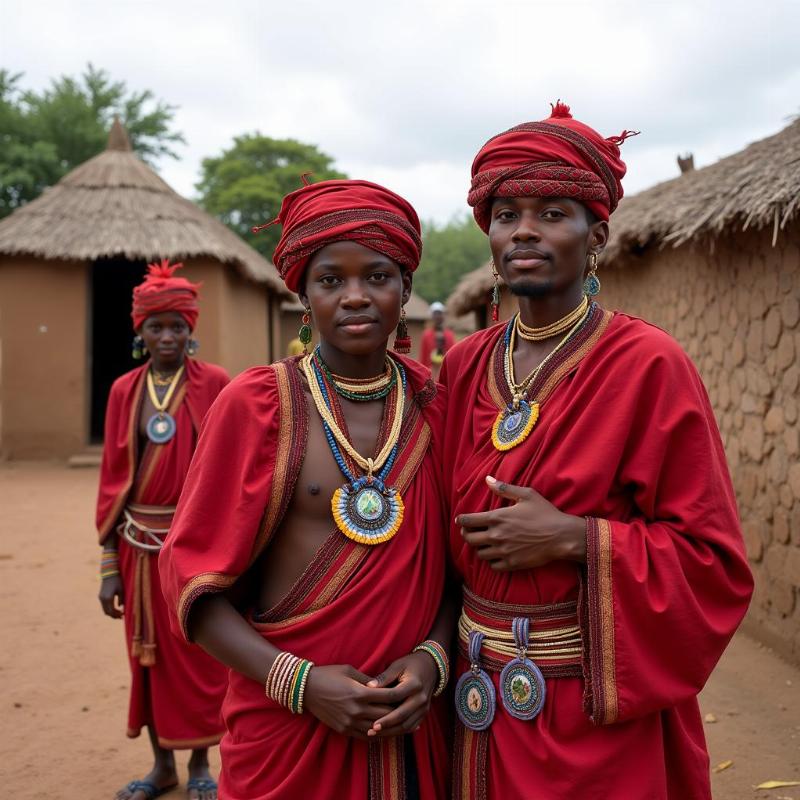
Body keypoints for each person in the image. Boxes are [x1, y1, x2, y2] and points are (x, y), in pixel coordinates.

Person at [439, 102, 754, 800]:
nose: (524, 229)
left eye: (553, 212)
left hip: (596, 721)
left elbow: (715, 565)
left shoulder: (648, 364)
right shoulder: (463, 368)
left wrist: (577, 539)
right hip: (473, 709)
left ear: (598, 233)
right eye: (506, 213)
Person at [160, 179, 453, 799]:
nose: (355, 297)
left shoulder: (436, 408)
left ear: (405, 290)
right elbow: (193, 580)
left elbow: (463, 573)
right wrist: (300, 683)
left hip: (413, 727)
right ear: (302, 294)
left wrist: (433, 660)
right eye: (330, 281)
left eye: (377, 277)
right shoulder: (257, 404)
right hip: (285, 729)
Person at [96, 260, 229, 800]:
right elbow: (110, 481)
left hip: (193, 546)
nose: (168, 336)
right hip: (136, 549)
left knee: (198, 652)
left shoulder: (215, 384)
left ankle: (200, 763)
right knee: (145, 656)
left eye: (177, 326)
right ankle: (161, 766)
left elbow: (226, 469)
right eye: (157, 327)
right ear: (140, 332)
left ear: (190, 329)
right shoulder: (123, 392)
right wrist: (109, 569)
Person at [419, 301, 455, 379]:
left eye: (440, 313)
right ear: (432, 316)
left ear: (443, 316)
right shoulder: (426, 335)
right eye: (435, 313)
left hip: (446, 374)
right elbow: (423, 357)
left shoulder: (449, 335)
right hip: (429, 374)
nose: (438, 316)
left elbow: (453, 356)